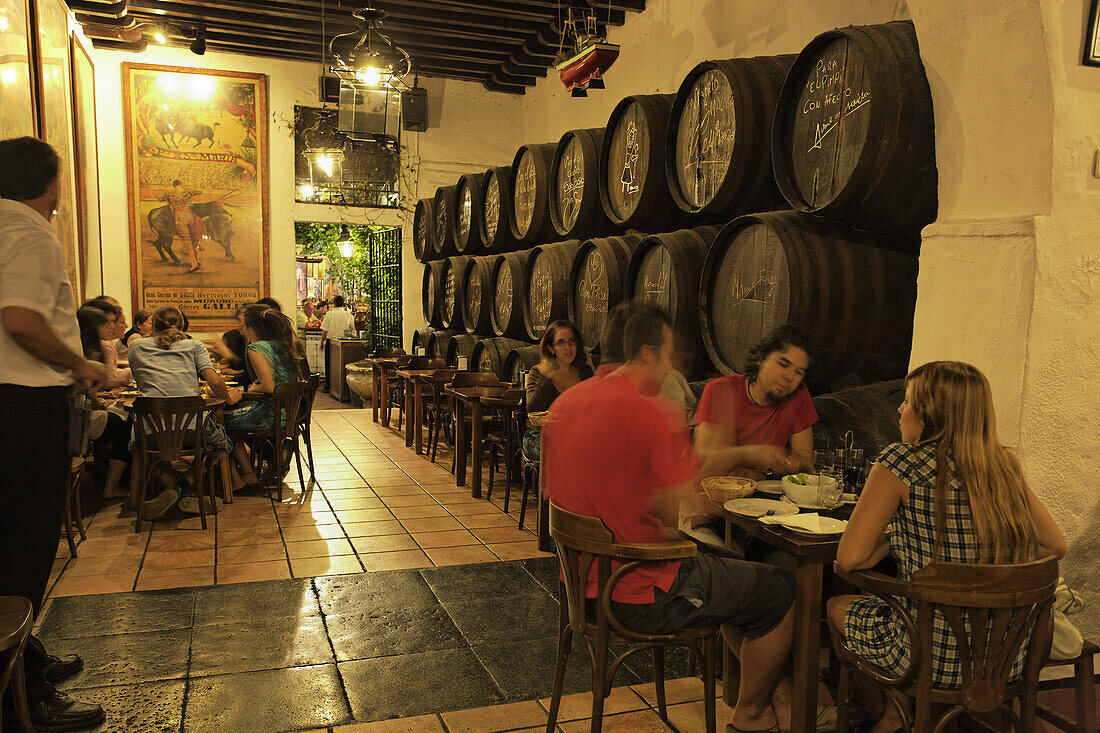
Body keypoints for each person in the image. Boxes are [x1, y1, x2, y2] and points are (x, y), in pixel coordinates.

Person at [542, 308, 797, 733]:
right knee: (778, 589)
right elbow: (680, 506)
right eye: (669, 355)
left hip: (579, 586)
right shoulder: (650, 413)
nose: (673, 365)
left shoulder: (568, 401)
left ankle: (768, 693)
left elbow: (562, 495)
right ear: (647, 353)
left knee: (727, 566)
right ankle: (753, 713)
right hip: (635, 591)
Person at [828, 361, 1066, 733]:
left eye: (907, 402)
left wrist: (895, 538)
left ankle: (894, 718)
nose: (899, 410)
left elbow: (849, 557)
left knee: (837, 606)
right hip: (1006, 657)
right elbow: (1055, 545)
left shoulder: (900, 462)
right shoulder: (1003, 467)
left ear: (928, 415)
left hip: (928, 659)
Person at [0, 136, 107, 730]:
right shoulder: (30, 229)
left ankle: (27, 662)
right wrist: (83, 364)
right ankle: (23, 702)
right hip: (20, 408)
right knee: (22, 549)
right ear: (50, 184)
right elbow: (20, 319)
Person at [128, 305, 248, 517]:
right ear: (182, 324)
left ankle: (173, 489)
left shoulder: (136, 346)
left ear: (153, 325)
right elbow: (214, 380)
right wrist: (228, 398)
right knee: (222, 444)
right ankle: (186, 486)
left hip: (149, 433)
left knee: (140, 449)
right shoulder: (194, 345)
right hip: (193, 431)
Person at [694, 325, 817, 477]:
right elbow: (704, 462)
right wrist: (751, 453)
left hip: (764, 495)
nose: (790, 377)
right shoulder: (720, 390)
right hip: (713, 495)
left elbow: (806, 460)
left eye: (799, 372)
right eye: (783, 364)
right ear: (761, 359)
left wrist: (768, 472)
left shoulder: (798, 394)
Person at [223, 304, 304, 482]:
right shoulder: (283, 345)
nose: (241, 331)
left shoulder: (256, 348)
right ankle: (270, 457)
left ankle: (246, 474)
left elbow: (268, 386)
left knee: (220, 425)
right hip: (290, 414)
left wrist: (252, 389)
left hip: (270, 414)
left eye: (243, 327)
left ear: (251, 328)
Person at [596, 301, 698, 418]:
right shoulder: (667, 385)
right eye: (668, 353)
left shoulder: (595, 390)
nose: (669, 364)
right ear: (646, 352)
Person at [523, 319, 593, 460]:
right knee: (568, 449)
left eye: (571, 341)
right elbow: (532, 409)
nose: (568, 347)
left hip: (577, 435)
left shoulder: (584, 371)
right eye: (561, 342)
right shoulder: (538, 372)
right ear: (551, 348)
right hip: (541, 436)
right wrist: (547, 377)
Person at [161, 179, 205, 273]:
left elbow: (159, 197)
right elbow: (200, 191)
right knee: (194, 241)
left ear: (174, 185)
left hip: (180, 217)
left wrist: (167, 198)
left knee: (187, 243)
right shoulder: (187, 189)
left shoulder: (171, 191)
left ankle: (194, 266)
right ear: (181, 183)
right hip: (189, 215)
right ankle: (197, 261)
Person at [320, 295, 354, 387]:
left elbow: (325, 330)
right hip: (344, 343)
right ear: (343, 304)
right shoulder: (348, 315)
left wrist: (321, 342)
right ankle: (341, 386)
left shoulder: (329, 314)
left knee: (329, 364)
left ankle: (329, 385)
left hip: (330, 342)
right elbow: (353, 329)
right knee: (342, 364)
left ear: (334, 303)